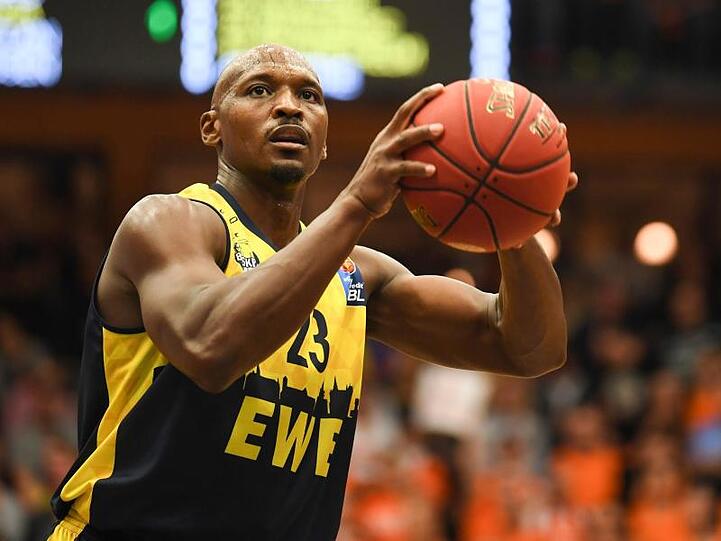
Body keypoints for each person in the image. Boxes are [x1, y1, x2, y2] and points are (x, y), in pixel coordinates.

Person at [47, 44, 577, 541]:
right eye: (259, 90)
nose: (289, 107)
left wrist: (513, 218)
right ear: (213, 128)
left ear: (323, 143)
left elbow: (528, 347)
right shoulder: (169, 223)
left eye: (309, 96)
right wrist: (358, 204)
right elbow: (209, 346)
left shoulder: (357, 275)